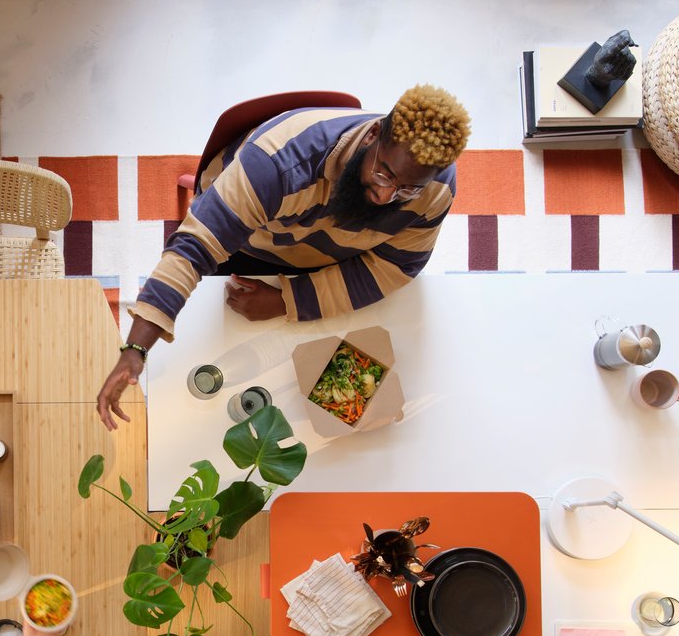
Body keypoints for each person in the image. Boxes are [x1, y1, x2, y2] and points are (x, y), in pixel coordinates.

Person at [96, 84, 471, 430]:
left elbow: (393, 268)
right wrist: (136, 349)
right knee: (206, 337)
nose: (385, 197)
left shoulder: (434, 188)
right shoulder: (278, 164)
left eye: (406, 189)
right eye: (384, 174)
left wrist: (289, 299)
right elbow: (197, 247)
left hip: (321, 258)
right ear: (373, 135)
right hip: (250, 241)